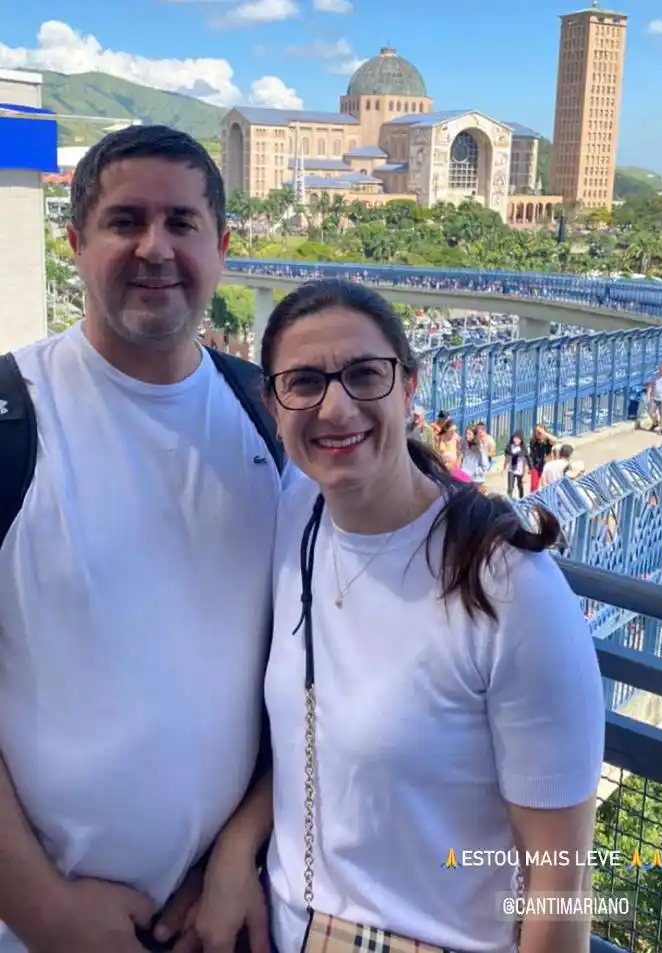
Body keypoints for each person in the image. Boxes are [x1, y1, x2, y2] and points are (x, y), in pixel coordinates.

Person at [189, 279, 605, 953]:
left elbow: (559, 882)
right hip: (283, 927)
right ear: (274, 404)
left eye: (363, 375)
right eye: (304, 381)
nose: (335, 405)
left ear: (408, 388)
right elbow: (316, 732)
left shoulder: (509, 589)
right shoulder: (296, 515)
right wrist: (237, 845)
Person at [0, 125, 284, 953]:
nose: (154, 247)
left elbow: (318, 672)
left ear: (221, 247)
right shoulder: (15, 418)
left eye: (182, 223)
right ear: (76, 242)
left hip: (220, 916)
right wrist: (46, 912)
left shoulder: (272, 424)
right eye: (125, 221)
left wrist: (237, 853)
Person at [503, 430, 531, 499]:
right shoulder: (510, 447)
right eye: (515, 438)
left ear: (521, 439)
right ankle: (509, 499)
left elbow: (527, 458)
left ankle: (521, 498)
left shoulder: (523, 448)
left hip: (520, 470)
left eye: (518, 438)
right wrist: (504, 467)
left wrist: (530, 468)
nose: (516, 440)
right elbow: (507, 456)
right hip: (511, 469)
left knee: (520, 485)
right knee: (510, 487)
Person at [528, 424, 556, 492]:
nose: (538, 433)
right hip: (536, 466)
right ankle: (533, 500)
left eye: (540, 432)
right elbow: (531, 454)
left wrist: (544, 433)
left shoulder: (547, 441)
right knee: (534, 487)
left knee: (547, 485)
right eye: (537, 431)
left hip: (546, 465)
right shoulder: (533, 441)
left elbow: (555, 440)